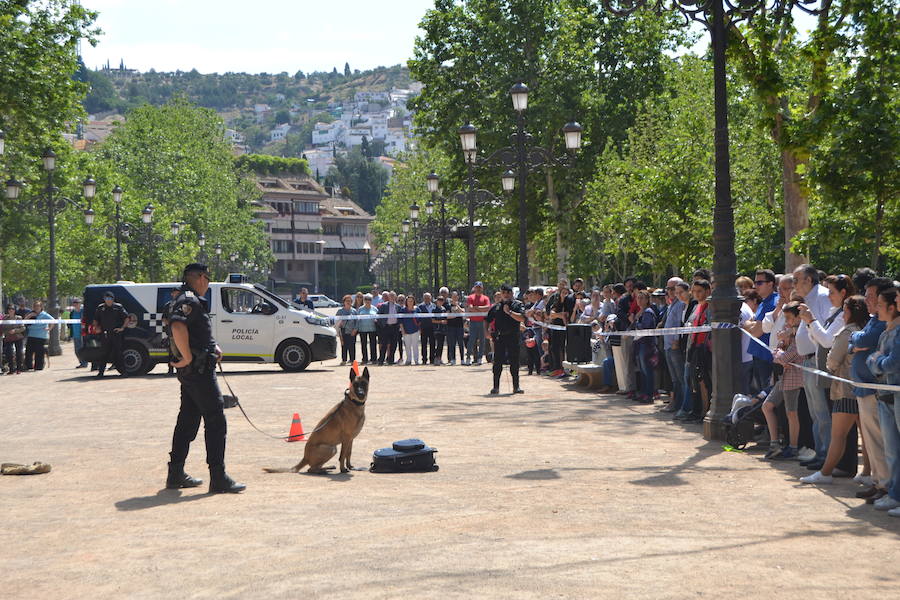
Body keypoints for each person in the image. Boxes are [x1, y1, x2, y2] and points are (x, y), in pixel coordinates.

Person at [167, 263, 244, 494]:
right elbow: (178, 327)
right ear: (200, 278)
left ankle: (175, 473)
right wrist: (189, 357)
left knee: (188, 420)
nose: (208, 284)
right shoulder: (189, 300)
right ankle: (218, 477)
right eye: (208, 279)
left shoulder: (181, 298)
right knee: (215, 420)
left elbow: (191, 330)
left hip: (194, 370)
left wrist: (212, 346)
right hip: (199, 371)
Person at [800, 295, 869, 483]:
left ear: (849, 312)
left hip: (845, 390)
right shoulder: (866, 330)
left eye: (845, 311)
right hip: (862, 390)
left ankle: (826, 473)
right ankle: (867, 473)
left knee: (838, 435)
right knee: (867, 436)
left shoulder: (847, 332)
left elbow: (831, 361)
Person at [848, 277, 893, 503]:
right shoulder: (873, 319)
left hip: (875, 390)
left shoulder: (882, 323)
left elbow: (865, 339)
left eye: (871, 296)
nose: (866, 300)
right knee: (871, 440)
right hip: (864, 390)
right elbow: (854, 340)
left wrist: (857, 341)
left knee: (879, 440)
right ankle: (878, 481)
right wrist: (856, 342)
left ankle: (886, 486)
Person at [865, 287, 900, 512]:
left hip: (894, 394)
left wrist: (877, 361)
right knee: (891, 450)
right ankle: (894, 494)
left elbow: (891, 364)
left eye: (880, 304)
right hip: (886, 396)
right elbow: (875, 361)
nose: (876, 309)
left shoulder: (897, 333)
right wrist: (877, 361)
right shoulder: (888, 331)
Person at [762, 302, 805, 460]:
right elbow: (777, 353)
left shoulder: (798, 335)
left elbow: (785, 356)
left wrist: (780, 354)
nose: (786, 322)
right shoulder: (788, 334)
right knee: (767, 406)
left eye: (788, 318)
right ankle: (775, 444)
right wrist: (780, 353)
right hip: (784, 377)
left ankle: (793, 447)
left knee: (791, 413)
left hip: (793, 378)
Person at [485, 284, 526, 394]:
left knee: (514, 362)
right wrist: (486, 331)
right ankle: (496, 387)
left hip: (513, 336)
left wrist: (510, 312)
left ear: (512, 294)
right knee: (497, 362)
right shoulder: (496, 307)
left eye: (508, 293)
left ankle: (516, 387)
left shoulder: (517, 305)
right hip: (499, 337)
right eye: (504, 293)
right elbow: (487, 319)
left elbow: (522, 317)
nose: (506, 295)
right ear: (501, 294)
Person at [630, 290, 658, 403]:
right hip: (639, 344)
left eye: (642, 298)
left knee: (647, 370)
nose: (639, 300)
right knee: (642, 370)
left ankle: (649, 394)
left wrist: (636, 323)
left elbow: (645, 327)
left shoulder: (648, 312)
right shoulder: (640, 312)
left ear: (647, 300)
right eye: (638, 298)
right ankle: (643, 392)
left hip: (646, 345)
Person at [93, 291, 127, 378]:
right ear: (104, 299)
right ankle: (101, 373)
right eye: (106, 298)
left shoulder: (118, 307)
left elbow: (126, 318)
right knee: (104, 353)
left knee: (119, 353)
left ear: (113, 299)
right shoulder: (100, 308)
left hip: (116, 333)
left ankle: (123, 372)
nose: (108, 300)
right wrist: (96, 327)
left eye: (110, 298)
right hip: (105, 334)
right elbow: (96, 320)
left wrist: (122, 328)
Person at [546, 279, 574, 378]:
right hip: (555, 327)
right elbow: (551, 314)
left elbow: (568, 315)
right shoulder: (556, 301)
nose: (564, 294)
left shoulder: (570, 301)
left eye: (566, 292)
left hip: (566, 329)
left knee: (564, 348)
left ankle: (566, 369)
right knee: (554, 348)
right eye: (563, 292)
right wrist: (560, 315)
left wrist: (561, 315)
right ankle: (557, 368)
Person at [23, 301, 54, 371]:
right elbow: (23, 322)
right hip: (31, 335)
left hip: (41, 336)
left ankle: (39, 366)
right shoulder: (30, 313)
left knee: (39, 352)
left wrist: (49, 328)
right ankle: (28, 366)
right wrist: (29, 316)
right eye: (35, 306)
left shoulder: (45, 314)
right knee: (28, 351)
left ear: (41, 307)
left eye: (38, 306)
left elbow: (53, 320)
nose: (36, 307)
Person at [465, 282, 491, 365]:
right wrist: (480, 309)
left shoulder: (485, 298)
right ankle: (468, 357)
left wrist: (477, 307)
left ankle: (480, 357)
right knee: (471, 340)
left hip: (482, 322)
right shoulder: (470, 297)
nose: (478, 289)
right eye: (477, 287)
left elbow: (487, 308)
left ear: (482, 288)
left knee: (482, 340)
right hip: (473, 322)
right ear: (474, 288)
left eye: (480, 287)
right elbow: (470, 308)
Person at [376, 291, 401, 365]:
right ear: (388, 297)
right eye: (391, 296)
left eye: (393, 296)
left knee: (394, 345)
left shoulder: (398, 307)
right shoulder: (383, 306)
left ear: (395, 297)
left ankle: (391, 360)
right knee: (384, 344)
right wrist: (382, 325)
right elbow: (378, 316)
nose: (392, 297)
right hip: (386, 327)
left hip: (394, 327)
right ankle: (381, 360)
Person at [2, 305, 26, 375]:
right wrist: (8, 332)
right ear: (8, 310)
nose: (11, 310)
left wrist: (15, 330)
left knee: (19, 352)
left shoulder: (19, 318)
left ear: (14, 310)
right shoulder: (5, 318)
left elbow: (23, 328)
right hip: (9, 338)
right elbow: (3, 328)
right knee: (9, 353)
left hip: (18, 337)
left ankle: (19, 368)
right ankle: (11, 369)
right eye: (9, 309)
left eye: (12, 309)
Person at [335, 294, 358, 365]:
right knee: (344, 346)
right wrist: (339, 324)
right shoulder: (340, 311)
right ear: (344, 302)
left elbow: (357, 321)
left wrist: (355, 330)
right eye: (347, 301)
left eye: (350, 301)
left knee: (352, 346)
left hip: (352, 331)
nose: (348, 302)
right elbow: (336, 321)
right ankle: (344, 360)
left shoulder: (354, 311)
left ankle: (352, 360)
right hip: (343, 331)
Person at [356, 294, 378, 364]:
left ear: (371, 300)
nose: (368, 301)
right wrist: (357, 329)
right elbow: (357, 319)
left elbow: (378, 318)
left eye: (369, 299)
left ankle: (374, 359)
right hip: (362, 329)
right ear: (364, 300)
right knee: (363, 345)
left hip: (373, 329)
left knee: (373, 344)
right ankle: (365, 359)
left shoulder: (375, 308)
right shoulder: (360, 309)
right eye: (366, 299)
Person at [416, 292, 437, 365]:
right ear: (423, 298)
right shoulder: (420, 306)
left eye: (428, 298)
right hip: (423, 327)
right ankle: (424, 359)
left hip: (432, 327)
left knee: (432, 343)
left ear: (431, 298)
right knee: (424, 344)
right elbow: (418, 318)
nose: (427, 299)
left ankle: (432, 359)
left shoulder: (434, 306)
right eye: (425, 298)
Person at [399, 294, 420, 365]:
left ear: (414, 301)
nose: (410, 302)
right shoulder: (403, 310)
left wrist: (419, 329)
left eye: (411, 301)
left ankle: (416, 360)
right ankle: (408, 360)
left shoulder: (417, 309)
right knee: (407, 346)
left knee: (415, 346)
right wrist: (403, 330)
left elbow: (420, 320)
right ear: (406, 302)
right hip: (406, 331)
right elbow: (400, 321)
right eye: (408, 301)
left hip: (415, 330)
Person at [446, 291, 466, 365]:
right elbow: (447, 316)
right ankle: (453, 359)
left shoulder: (461, 304)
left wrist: (457, 306)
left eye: (456, 296)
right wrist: (457, 314)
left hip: (460, 327)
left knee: (461, 343)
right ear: (451, 297)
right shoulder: (448, 305)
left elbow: (463, 313)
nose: (454, 298)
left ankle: (462, 359)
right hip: (451, 327)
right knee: (452, 344)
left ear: (458, 297)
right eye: (453, 296)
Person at [69, 299, 88, 368]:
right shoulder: (72, 313)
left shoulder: (84, 311)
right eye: (74, 303)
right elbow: (70, 323)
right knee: (77, 350)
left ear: (80, 303)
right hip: (75, 334)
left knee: (84, 349)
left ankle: (85, 363)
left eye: (77, 303)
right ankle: (82, 362)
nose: (76, 304)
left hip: (83, 333)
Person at [432, 295, 448, 365]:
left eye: (442, 300)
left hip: (443, 330)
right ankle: (435, 358)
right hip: (436, 329)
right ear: (437, 301)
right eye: (439, 300)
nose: (440, 302)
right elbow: (432, 320)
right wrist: (441, 322)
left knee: (441, 345)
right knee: (436, 345)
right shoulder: (434, 309)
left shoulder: (444, 309)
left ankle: (439, 358)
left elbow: (445, 318)